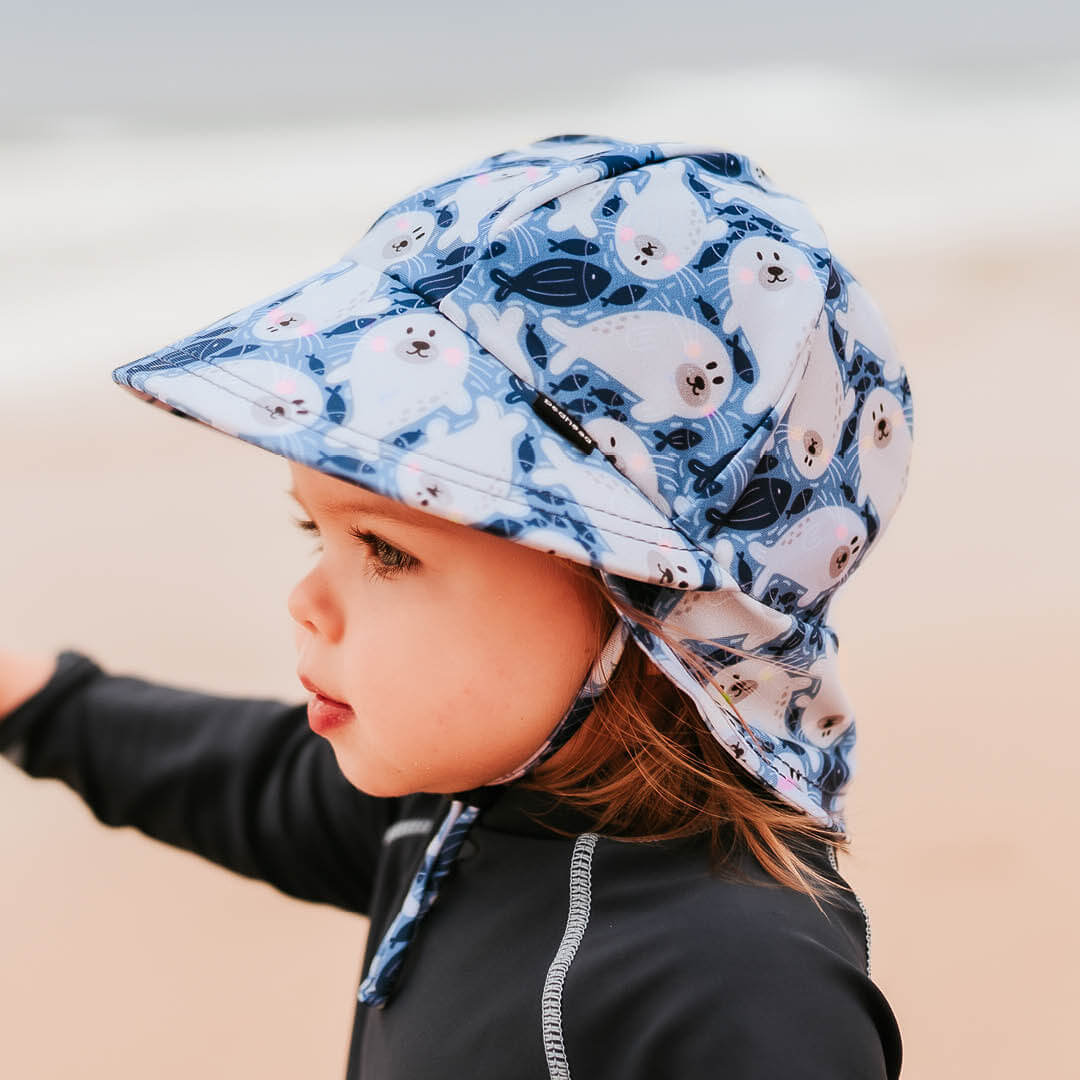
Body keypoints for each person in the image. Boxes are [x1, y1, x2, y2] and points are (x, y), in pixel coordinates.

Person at [0, 133, 912, 1078]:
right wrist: (28, 698)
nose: (304, 601)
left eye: (386, 549)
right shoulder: (468, 807)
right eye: (317, 532)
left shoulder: (734, 994)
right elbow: (249, 779)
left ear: (649, 596)